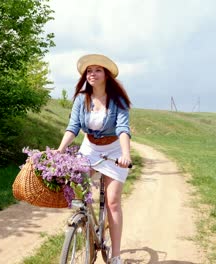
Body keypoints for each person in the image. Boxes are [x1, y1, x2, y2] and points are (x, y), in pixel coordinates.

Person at [57, 54, 132, 264]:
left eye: (98, 70)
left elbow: (123, 129)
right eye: (89, 71)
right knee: (77, 186)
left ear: (106, 75)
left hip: (115, 150)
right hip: (90, 148)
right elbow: (73, 127)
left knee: (113, 202)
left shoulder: (118, 101)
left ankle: (115, 255)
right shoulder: (82, 98)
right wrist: (60, 150)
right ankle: (85, 222)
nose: (92, 74)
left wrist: (125, 155)